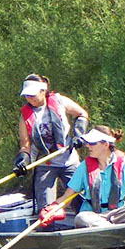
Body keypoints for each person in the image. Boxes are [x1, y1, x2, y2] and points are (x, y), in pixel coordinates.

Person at [39, 125, 125, 228]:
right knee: (81, 218)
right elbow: (66, 197)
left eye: (92, 143)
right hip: (93, 216)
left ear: (105, 145)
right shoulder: (84, 167)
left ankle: (110, 226)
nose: (87, 146)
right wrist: (52, 208)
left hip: (118, 214)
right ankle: (112, 228)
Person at [12, 73, 90, 213]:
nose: (29, 98)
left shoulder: (59, 101)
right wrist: (22, 161)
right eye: (27, 95)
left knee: (82, 199)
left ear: (43, 91)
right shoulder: (25, 115)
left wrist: (79, 135)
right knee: (46, 209)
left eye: (33, 94)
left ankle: (85, 225)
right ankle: (49, 230)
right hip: (45, 164)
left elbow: (81, 114)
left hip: (69, 160)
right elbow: (25, 145)